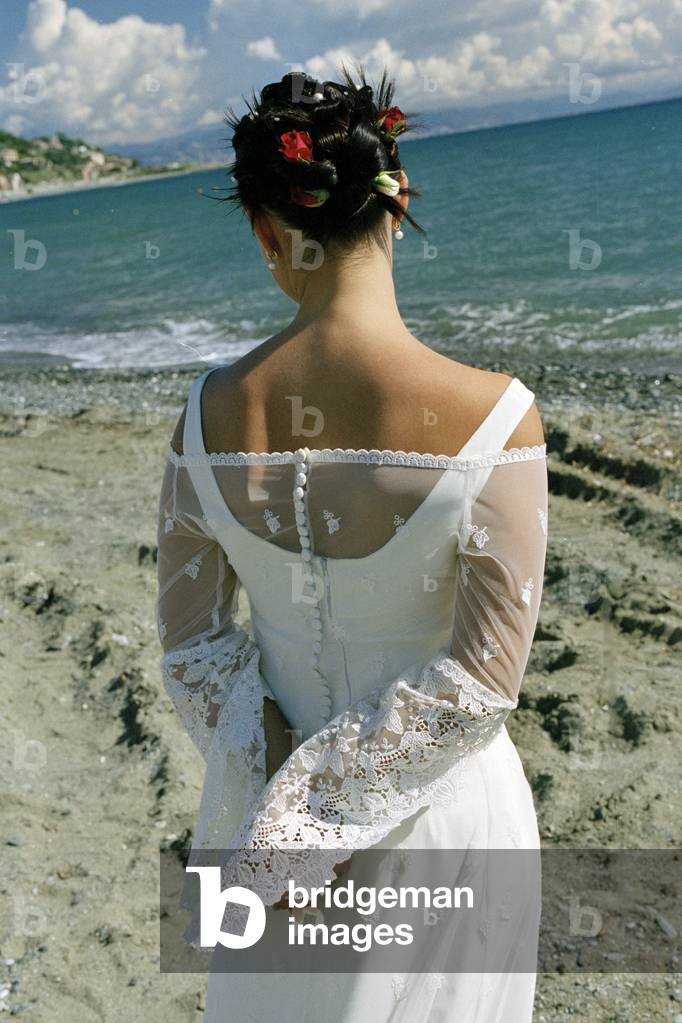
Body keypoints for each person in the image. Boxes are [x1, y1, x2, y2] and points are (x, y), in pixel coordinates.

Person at [155, 65, 548, 1022]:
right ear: (397, 198)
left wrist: (278, 797)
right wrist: (323, 806)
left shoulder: (204, 420)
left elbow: (194, 649)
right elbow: (481, 684)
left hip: (260, 836)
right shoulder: (496, 417)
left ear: (266, 230)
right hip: (442, 823)